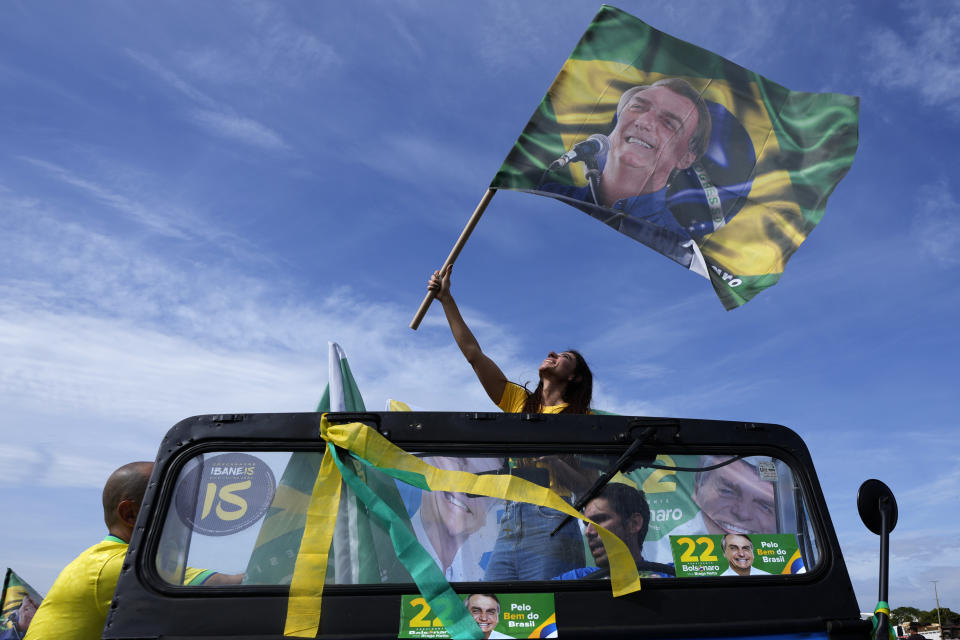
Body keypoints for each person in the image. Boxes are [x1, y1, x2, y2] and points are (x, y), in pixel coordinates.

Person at [428, 266, 595, 581]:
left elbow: (589, 485)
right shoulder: (518, 402)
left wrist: (555, 462)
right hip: (510, 520)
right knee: (491, 605)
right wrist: (446, 300)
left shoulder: (582, 420)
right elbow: (474, 355)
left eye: (564, 358)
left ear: (574, 377)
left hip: (552, 519)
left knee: (549, 613)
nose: (552, 354)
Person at [25, 462, 242, 640]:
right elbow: (230, 588)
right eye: (174, 503)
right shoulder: (116, 568)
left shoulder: (100, 562)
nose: (186, 516)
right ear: (129, 514)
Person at [542, 78, 712, 274]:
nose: (644, 122)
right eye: (638, 107)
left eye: (668, 123)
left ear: (685, 158)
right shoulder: (544, 194)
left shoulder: (679, 252)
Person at [644, 455, 777, 565]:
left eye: (764, 505)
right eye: (727, 491)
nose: (743, 513)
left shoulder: (788, 559)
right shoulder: (657, 555)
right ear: (697, 488)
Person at [554, 483, 674, 580]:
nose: (588, 532)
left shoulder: (674, 575)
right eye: (586, 524)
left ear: (634, 523)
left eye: (599, 520)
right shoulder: (574, 580)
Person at [413, 456, 502, 581]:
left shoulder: (502, 567)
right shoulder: (386, 544)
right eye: (457, 460)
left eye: (486, 484)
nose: (464, 488)